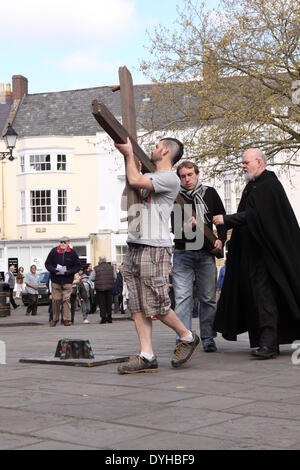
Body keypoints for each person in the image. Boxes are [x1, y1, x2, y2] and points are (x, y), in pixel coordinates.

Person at [114, 136, 200, 374]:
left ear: (164, 151)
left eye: (155, 146)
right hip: (135, 243)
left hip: (154, 247)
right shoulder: (150, 178)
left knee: (158, 304)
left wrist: (130, 155)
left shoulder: (170, 179)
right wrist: (132, 166)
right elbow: (126, 201)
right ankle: (147, 355)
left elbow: (134, 179)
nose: (151, 149)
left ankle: (187, 336)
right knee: (137, 305)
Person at [213, 148, 300, 359]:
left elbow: (257, 216)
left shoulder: (268, 186)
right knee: (265, 296)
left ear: (259, 162)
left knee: (265, 297)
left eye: (246, 162)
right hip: (260, 255)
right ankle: (270, 341)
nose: (243, 166)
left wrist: (227, 219)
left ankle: (269, 344)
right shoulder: (256, 185)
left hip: (268, 257)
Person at [171, 161, 227, 352]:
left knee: (208, 298)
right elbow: (174, 231)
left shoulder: (209, 193)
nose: (187, 179)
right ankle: (184, 338)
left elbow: (221, 218)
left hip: (205, 253)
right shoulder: (174, 197)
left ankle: (208, 337)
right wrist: (188, 226)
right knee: (182, 298)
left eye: (190, 175)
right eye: (183, 176)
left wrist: (221, 240)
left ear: (197, 174)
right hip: (182, 252)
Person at [45, 236, 81, 327]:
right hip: (56, 280)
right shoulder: (54, 251)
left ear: (68, 243)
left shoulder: (72, 253)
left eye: (65, 242)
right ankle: (54, 319)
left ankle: (67, 319)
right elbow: (47, 264)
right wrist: (53, 270)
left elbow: (78, 266)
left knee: (66, 299)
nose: (63, 244)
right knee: (56, 300)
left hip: (67, 280)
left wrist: (71, 271)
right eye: (61, 242)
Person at [90, 257, 115, 324]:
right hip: (109, 288)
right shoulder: (111, 267)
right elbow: (115, 276)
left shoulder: (96, 268)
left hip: (99, 288)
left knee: (102, 304)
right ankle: (109, 318)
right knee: (109, 303)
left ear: (100, 261)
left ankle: (103, 318)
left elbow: (91, 278)